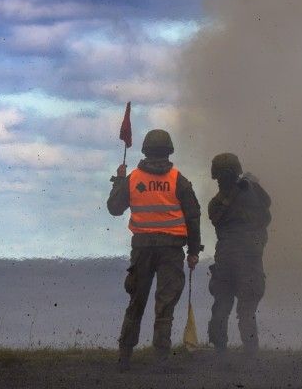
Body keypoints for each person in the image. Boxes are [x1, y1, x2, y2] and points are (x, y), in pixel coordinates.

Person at [107, 128, 202, 370]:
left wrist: (119, 179)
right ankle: (160, 361)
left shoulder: (134, 179)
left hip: (141, 250)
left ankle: (124, 358)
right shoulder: (178, 179)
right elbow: (193, 216)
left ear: (145, 151)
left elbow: (115, 209)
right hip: (171, 250)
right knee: (165, 305)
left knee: (136, 303)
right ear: (169, 151)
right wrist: (193, 252)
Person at [206, 152, 271, 354]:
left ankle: (220, 353)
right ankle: (251, 355)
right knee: (247, 311)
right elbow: (266, 209)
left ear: (216, 176)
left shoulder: (215, 204)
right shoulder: (253, 195)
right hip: (250, 259)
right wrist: (252, 185)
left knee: (222, 307)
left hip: (226, 260)